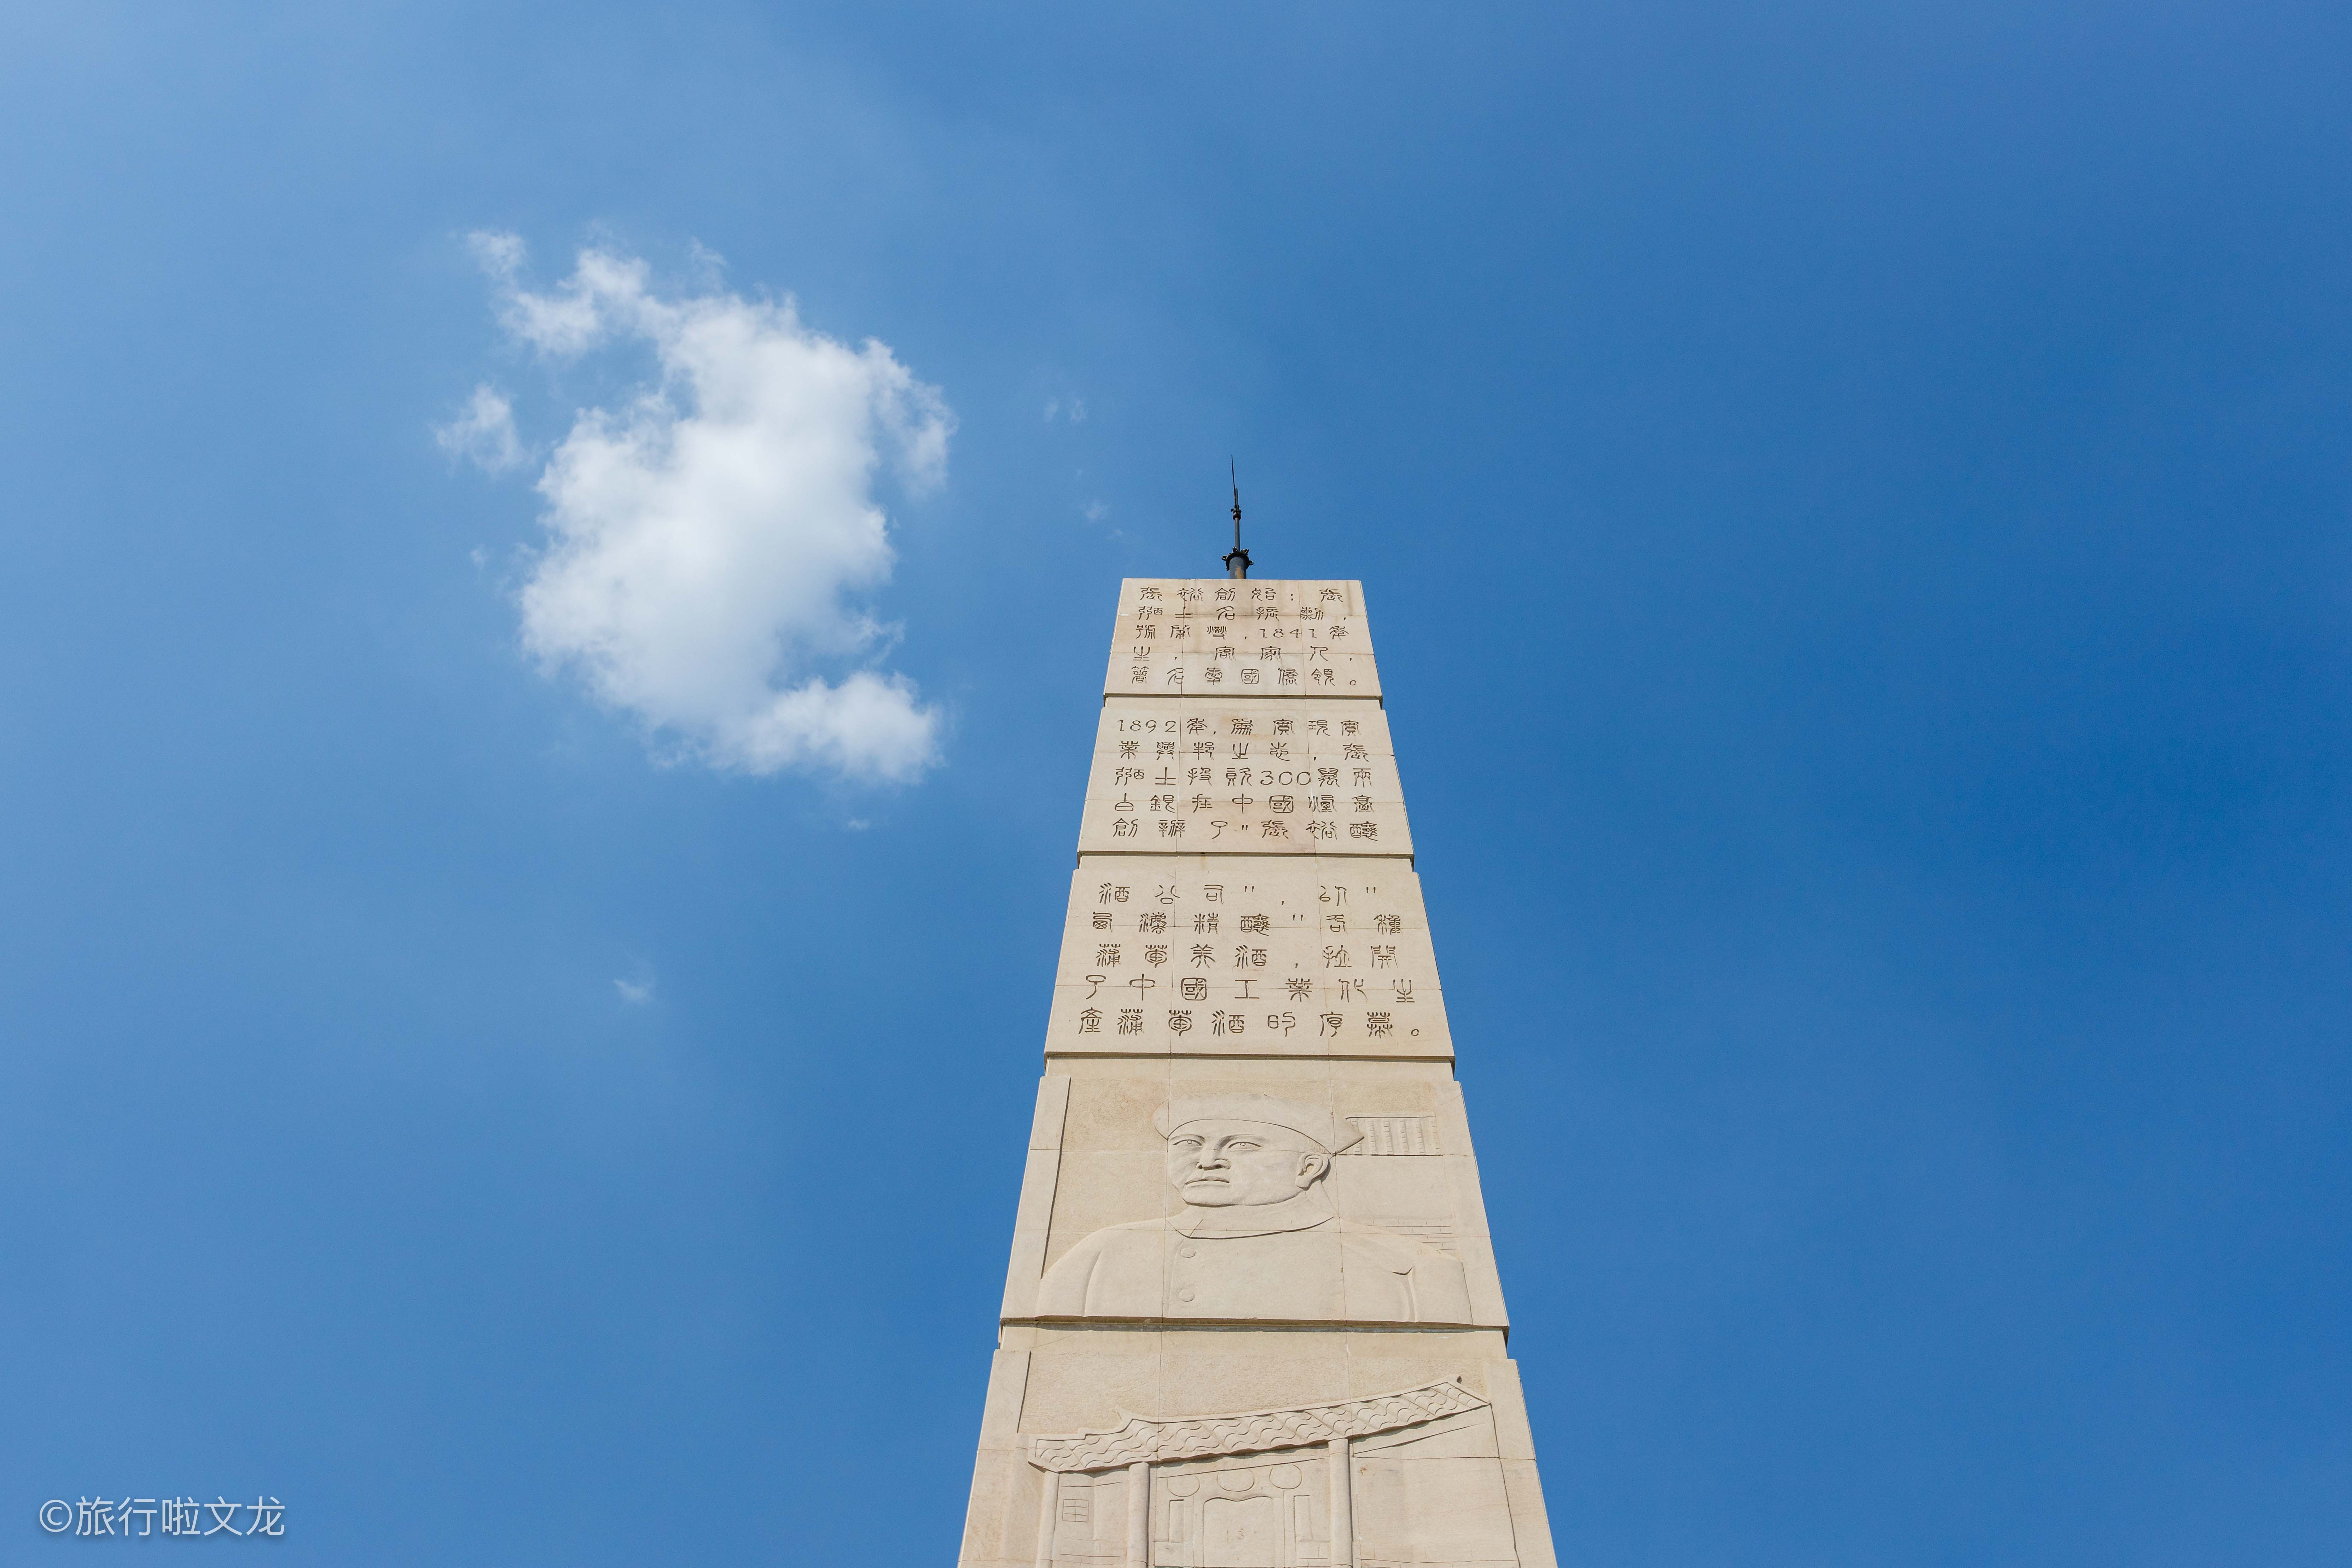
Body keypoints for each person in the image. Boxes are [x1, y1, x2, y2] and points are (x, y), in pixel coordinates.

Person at [1036, 1092, 1471, 1323]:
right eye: (1189, 1144)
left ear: (1309, 1167)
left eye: (1242, 1146)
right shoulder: (1105, 1253)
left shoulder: (1409, 1268)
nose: (1207, 1161)